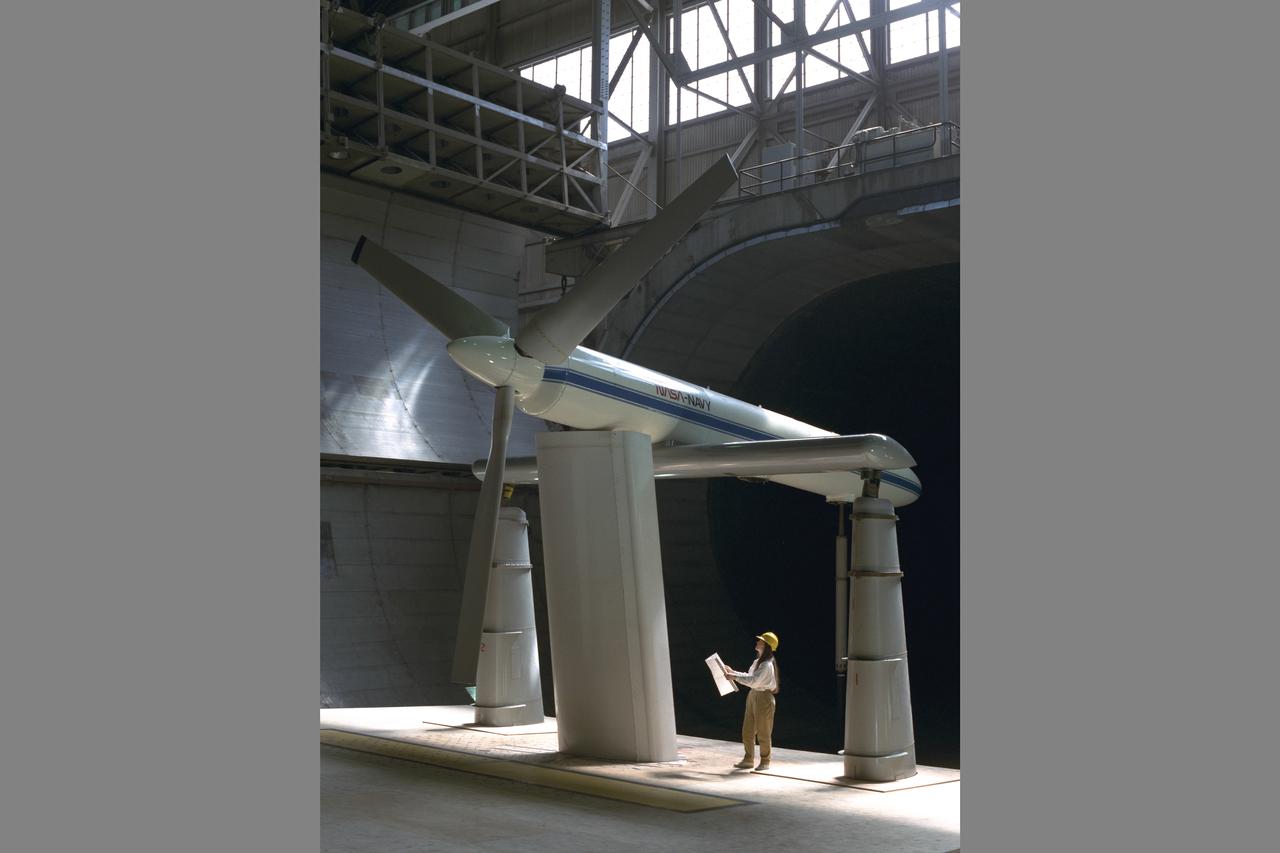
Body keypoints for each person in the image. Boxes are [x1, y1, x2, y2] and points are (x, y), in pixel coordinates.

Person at [723, 632, 780, 771]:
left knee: (763, 732)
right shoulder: (758, 662)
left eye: (760, 641)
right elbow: (749, 676)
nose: (757, 642)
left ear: (766, 645)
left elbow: (753, 681)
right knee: (747, 730)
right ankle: (748, 759)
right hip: (753, 695)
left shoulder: (767, 665)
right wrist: (733, 672)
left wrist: (733, 677)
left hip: (763, 697)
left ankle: (765, 761)